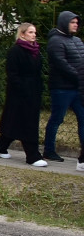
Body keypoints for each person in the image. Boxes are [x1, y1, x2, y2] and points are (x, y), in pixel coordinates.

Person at [0, 23, 47, 167]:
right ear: (22, 34)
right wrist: (23, 88)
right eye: (30, 32)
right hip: (19, 94)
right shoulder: (16, 51)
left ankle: (0, 146)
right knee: (27, 123)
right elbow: (12, 74)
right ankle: (32, 156)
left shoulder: (36, 51)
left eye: (35, 32)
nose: (34, 35)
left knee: (15, 121)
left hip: (33, 91)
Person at [43, 11, 84, 163]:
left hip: (77, 88)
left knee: (83, 118)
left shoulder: (78, 40)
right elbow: (61, 64)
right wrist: (78, 75)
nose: (76, 25)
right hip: (61, 88)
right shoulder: (55, 41)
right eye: (72, 22)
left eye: (77, 22)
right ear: (64, 23)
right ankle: (49, 150)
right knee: (57, 118)